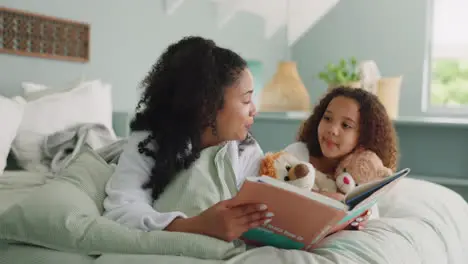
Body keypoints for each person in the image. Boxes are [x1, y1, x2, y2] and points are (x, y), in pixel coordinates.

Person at [103, 36, 272, 242]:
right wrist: (197, 226)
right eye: (246, 100)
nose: (254, 110)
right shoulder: (150, 142)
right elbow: (121, 211)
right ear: (207, 106)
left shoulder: (245, 148)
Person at [285, 86, 399, 229]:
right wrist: (335, 200)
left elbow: (369, 218)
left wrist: (360, 218)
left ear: (363, 137)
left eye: (346, 125)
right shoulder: (297, 153)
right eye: (327, 118)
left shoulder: (361, 174)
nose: (332, 130)